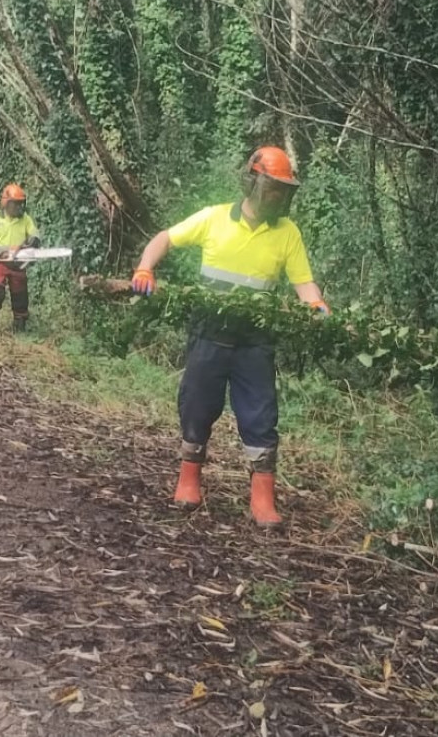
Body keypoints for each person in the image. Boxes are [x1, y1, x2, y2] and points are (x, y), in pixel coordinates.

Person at [130, 147, 330, 528]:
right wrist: (145, 268)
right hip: (209, 331)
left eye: (284, 190)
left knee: (260, 411)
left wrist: (316, 304)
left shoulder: (288, 233)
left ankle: (263, 498)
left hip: (255, 339)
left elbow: (303, 281)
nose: (279, 196)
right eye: (273, 188)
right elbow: (164, 239)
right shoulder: (214, 218)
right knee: (197, 403)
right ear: (252, 181)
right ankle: (189, 479)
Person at [0, 183, 41, 333]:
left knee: (20, 295)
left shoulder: (25, 219)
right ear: (6, 203)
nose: (18, 207)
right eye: (15, 204)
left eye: (20, 204)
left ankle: (19, 324)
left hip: (18, 262)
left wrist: (31, 243)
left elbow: (35, 235)